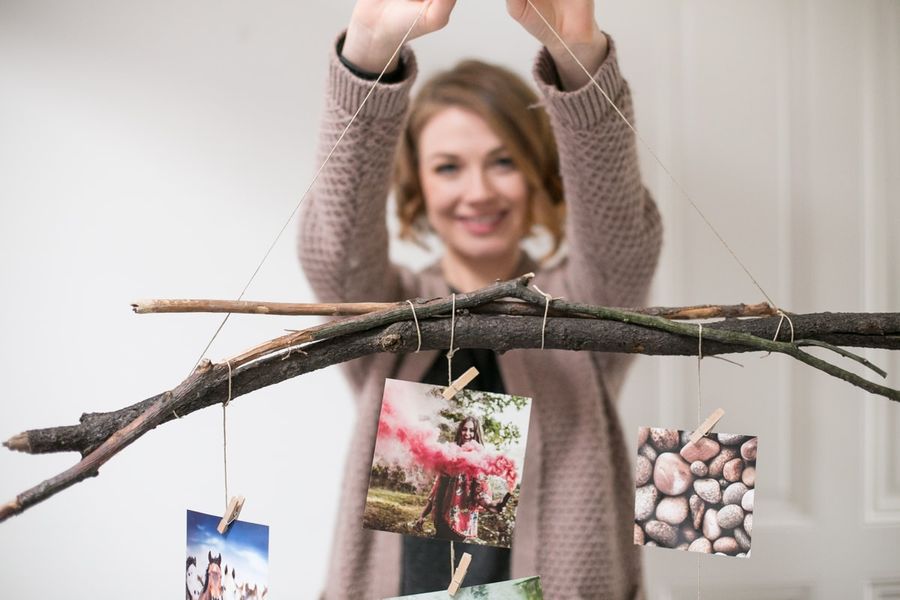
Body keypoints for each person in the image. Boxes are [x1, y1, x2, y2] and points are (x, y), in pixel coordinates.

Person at [298, 0, 663, 597]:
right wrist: (367, 55)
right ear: (417, 185)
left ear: (540, 172)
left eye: (503, 161)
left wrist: (581, 65)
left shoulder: (580, 310)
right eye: (448, 167)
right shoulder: (389, 314)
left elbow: (621, 238)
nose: (478, 191)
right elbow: (335, 249)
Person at [414, 416, 511, 543]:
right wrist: (422, 515)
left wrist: (491, 505)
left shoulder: (479, 458)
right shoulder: (451, 453)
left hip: (458, 523)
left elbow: (480, 492)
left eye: (472, 430)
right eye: (464, 429)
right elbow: (437, 488)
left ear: (476, 433)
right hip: (441, 517)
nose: (467, 433)